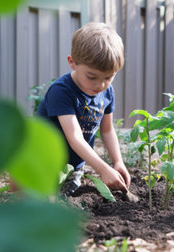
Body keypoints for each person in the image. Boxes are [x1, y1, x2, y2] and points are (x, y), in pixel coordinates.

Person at [37, 22, 131, 195]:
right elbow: (75, 138)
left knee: (67, 199)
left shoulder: (107, 92)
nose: (100, 84)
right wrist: (103, 169)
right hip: (43, 163)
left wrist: (118, 162)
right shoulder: (62, 91)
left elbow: (108, 130)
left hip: (72, 169)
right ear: (72, 62)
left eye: (109, 77)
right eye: (92, 76)